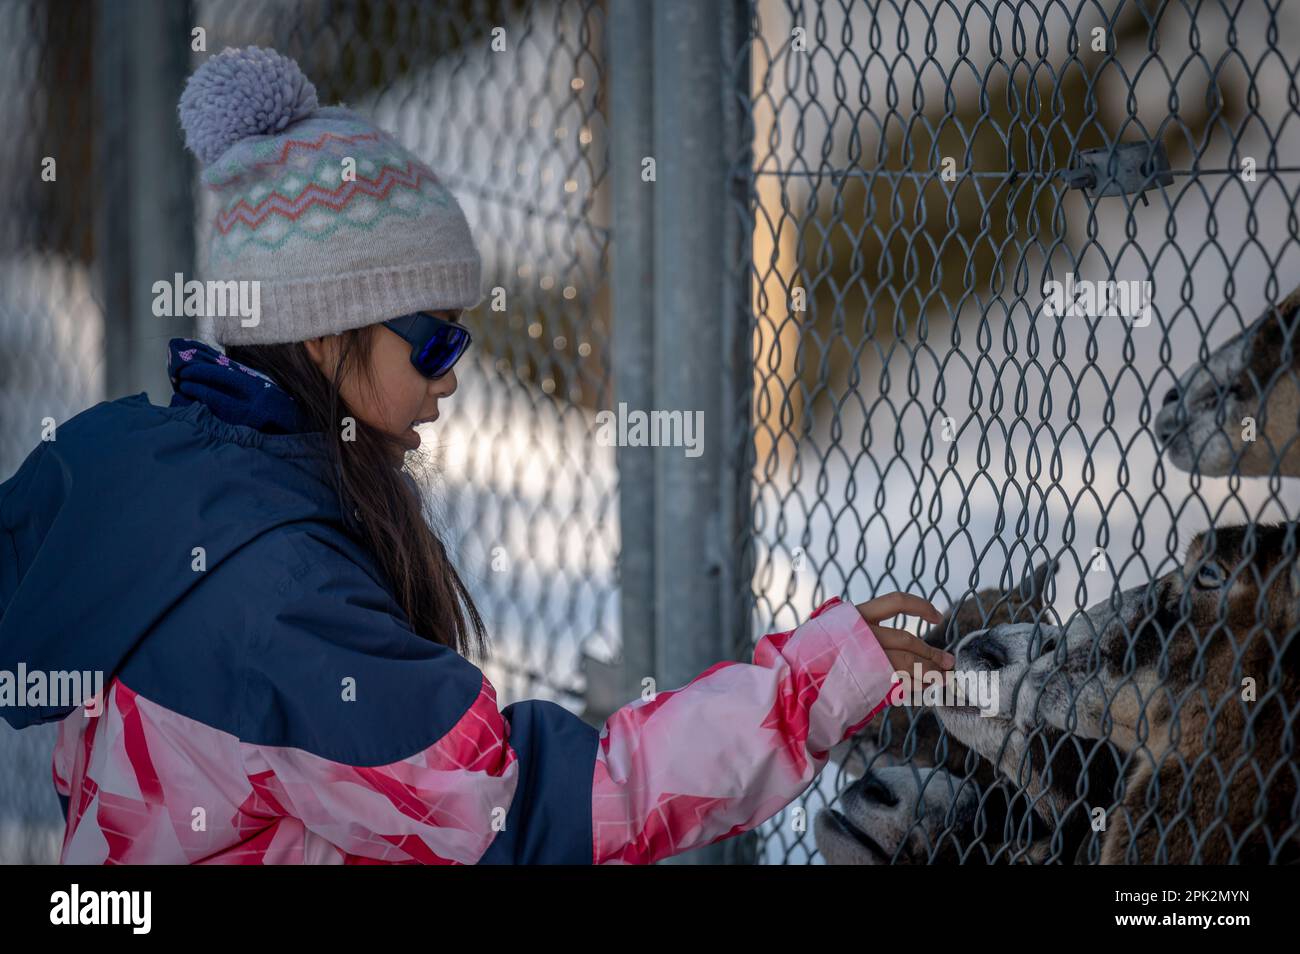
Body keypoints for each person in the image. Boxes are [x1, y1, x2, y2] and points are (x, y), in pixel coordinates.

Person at [0, 46, 953, 864]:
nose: (451, 376)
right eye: (433, 341)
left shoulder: (131, 467)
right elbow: (527, 812)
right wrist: (806, 690)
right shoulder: (280, 597)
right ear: (328, 339)